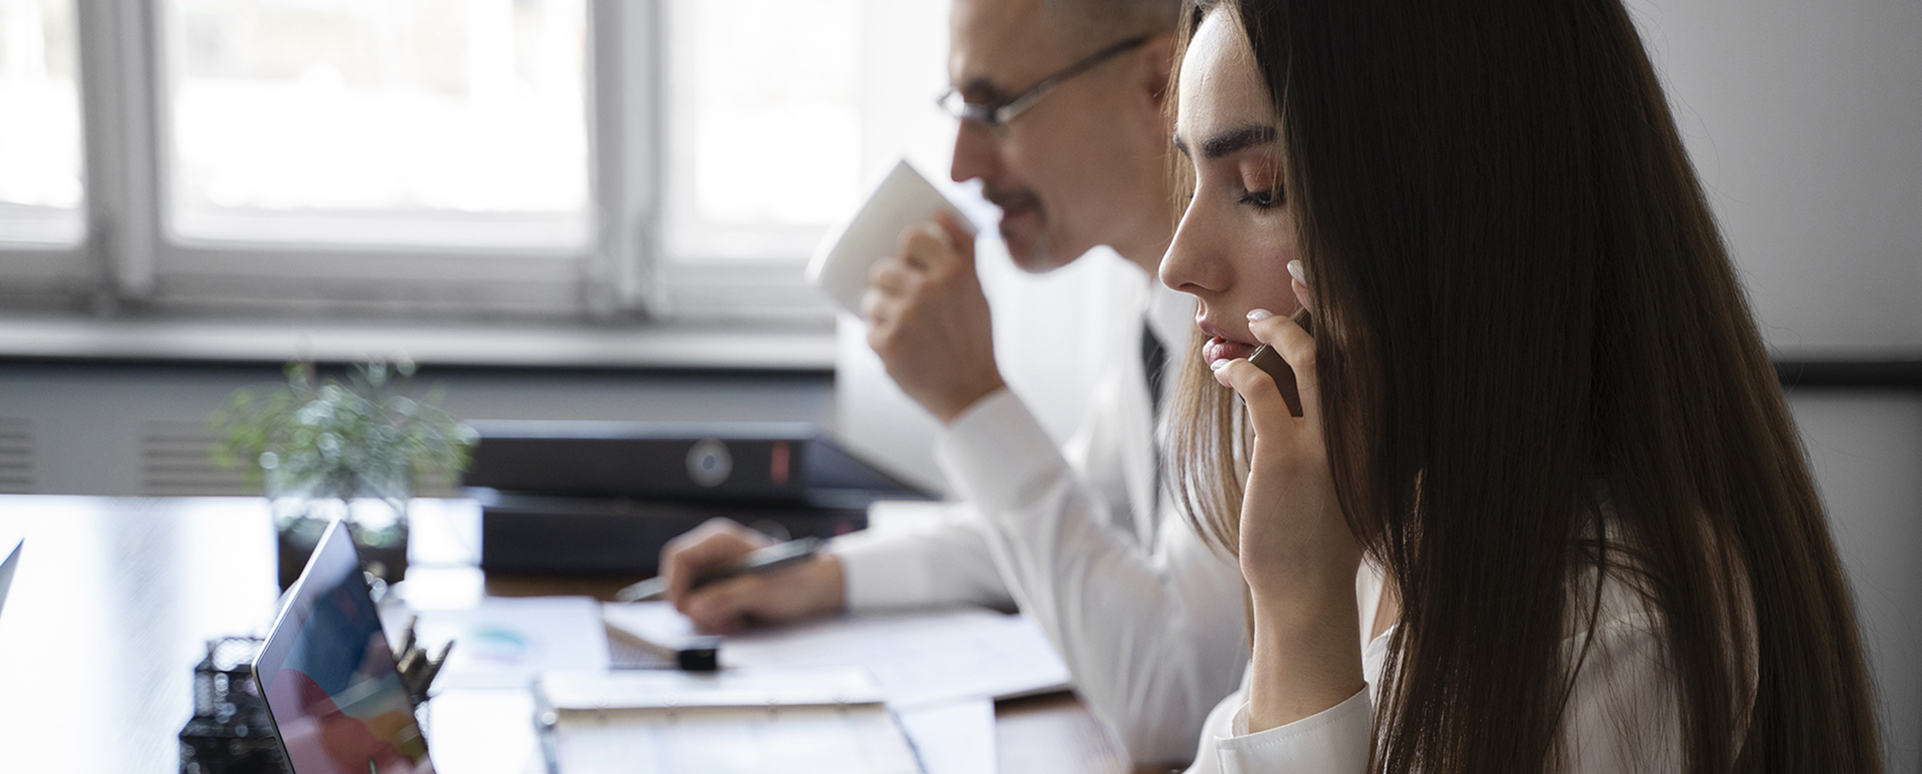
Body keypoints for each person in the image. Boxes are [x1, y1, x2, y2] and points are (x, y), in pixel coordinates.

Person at [1160, 0, 1884, 771]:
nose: (1178, 262)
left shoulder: (1607, 627)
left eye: (1263, 189)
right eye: (1191, 174)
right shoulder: (1386, 504)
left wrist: (1299, 619)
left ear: (1461, 210)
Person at [658, 0, 1247, 766]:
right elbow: (1073, 516)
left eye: (995, 107)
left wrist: (972, 400)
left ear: (1160, 83)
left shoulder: (1250, 331)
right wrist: (816, 576)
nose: (962, 165)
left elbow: (1172, 702)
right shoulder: (1158, 314)